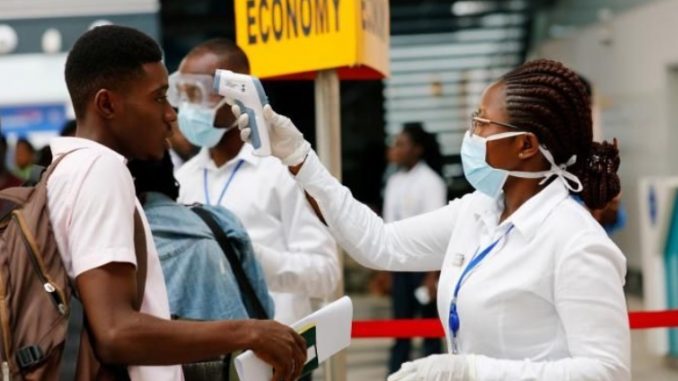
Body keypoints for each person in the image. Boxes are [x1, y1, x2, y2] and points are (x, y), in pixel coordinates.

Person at [234, 59, 630, 380]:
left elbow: (606, 371)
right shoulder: (478, 211)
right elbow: (380, 243)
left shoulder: (576, 241)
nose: (470, 133)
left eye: (482, 123)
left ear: (526, 145)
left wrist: (473, 370)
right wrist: (299, 157)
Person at [48, 25, 306, 381]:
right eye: (159, 98)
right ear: (107, 103)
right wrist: (249, 331)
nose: (171, 115)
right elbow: (115, 332)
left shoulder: (60, 169)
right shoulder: (101, 169)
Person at [173, 39, 340, 327]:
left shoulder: (282, 171)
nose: (186, 108)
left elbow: (326, 274)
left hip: (278, 351)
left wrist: (255, 260)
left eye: (197, 94)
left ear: (236, 96)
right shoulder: (182, 179)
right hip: (209, 352)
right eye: (183, 95)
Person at [127, 151, 274, 321]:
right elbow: (264, 311)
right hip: (242, 344)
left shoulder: (121, 243)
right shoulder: (221, 220)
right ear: (169, 172)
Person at [383, 122, 446, 372]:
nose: (394, 149)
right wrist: (385, 270)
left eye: (401, 144)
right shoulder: (394, 181)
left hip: (424, 267)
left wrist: (433, 275)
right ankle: (396, 375)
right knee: (401, 328)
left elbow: (438, 232)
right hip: (400, 266)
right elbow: (386, 228)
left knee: (430, 331)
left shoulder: (431, 182)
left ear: (417, 149)